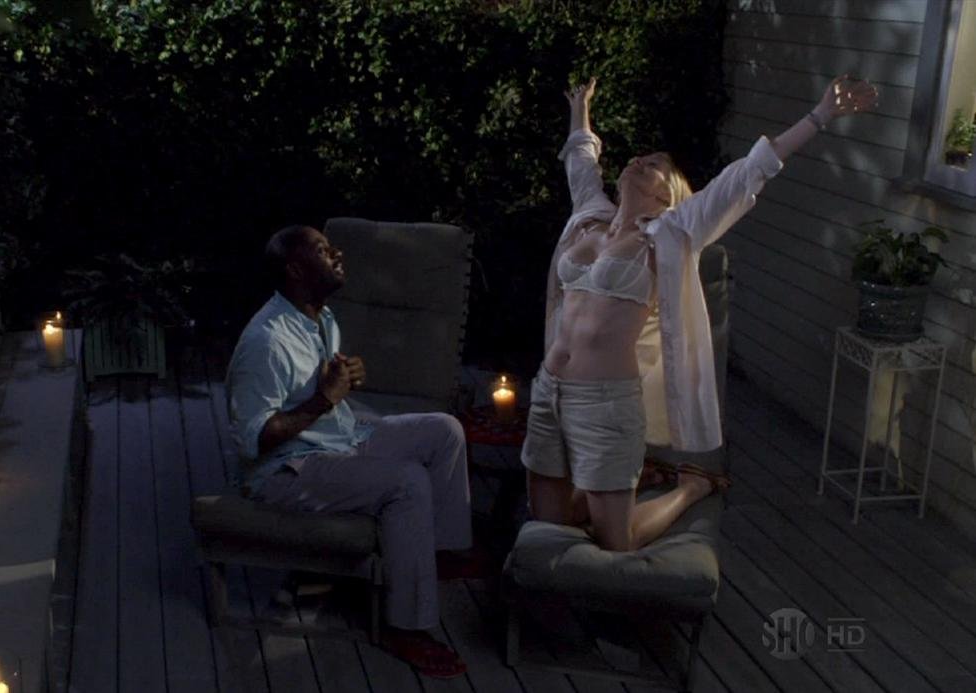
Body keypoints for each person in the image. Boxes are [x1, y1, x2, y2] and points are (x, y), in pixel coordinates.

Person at [522, 75, 878, 551]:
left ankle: (690, 489)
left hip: (605, 402)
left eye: (653, 165)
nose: (639, 161)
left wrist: (820, 114)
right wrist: (580, 108)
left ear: (666, 196)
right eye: (639, 158)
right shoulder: (590, 217)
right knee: (550, 521)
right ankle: (627, 483)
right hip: (549, 391)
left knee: (614, 544)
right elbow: (582, 164)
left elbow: (749, 172)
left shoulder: (672, 233)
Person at [227, 224, 479, 679]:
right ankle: (406, 627)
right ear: (296, 269)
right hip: (285, 470)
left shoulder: (321, 318)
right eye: (325, 250)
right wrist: (325, 398)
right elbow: (254, 439)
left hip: (339, 438)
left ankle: (438, 553)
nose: (338, 254)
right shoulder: (266, 341)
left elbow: (322, 390)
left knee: (444, 431)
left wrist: (343, 380)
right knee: (406, 481)